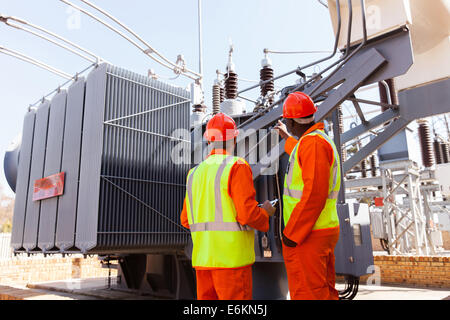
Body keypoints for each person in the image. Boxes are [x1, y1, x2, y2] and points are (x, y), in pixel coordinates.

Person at [180, 112, 276, 300]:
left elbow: (185, 219)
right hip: (232, 263)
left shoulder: (193, 173)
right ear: (233, 139)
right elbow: (247, 215)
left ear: (208, 140)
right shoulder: (237, 166)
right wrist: (265, 212)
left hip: (203, 261)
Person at [274, 91, 341, 300]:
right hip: (320, 229)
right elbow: (301, 153)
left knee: (308, 293)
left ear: (290, 120)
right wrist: (287, 137)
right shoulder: (314, 141)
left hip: (308, 234)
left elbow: (315, 194)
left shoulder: (313, 143)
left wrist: (292, 233)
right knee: (323, 290)